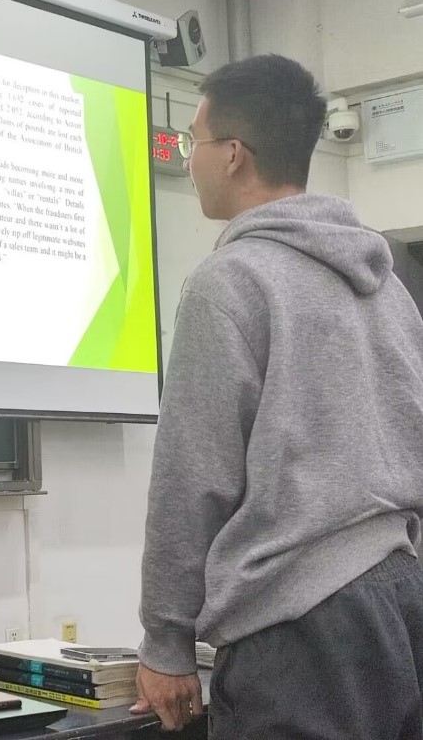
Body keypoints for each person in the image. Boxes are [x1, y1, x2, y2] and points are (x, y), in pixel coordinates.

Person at [133, 55, 423, 737]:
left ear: (233, 154)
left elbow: (192, 474)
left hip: (299, 625)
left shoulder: (230, 281)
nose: (189, 160)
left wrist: (165, 640)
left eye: (192, 142)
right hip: (402, 599)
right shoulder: (386, 287)